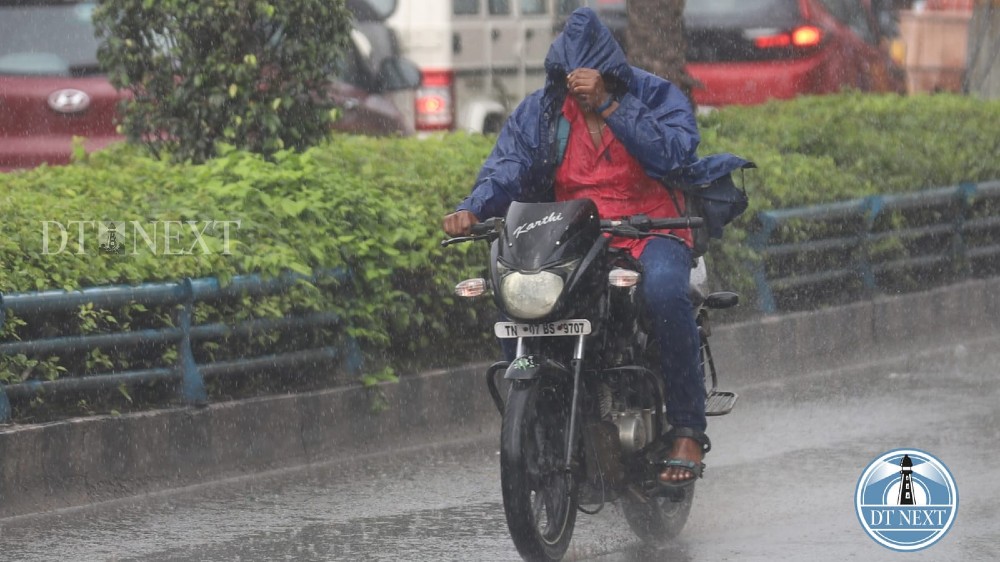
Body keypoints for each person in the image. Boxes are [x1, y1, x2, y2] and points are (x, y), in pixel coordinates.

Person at [443, 7, 749, 488]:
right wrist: (473, 207)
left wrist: (611, 106)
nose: (578, 89)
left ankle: (688, 428)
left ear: (610, 71)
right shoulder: (543, 111)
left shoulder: (653, 94)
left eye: (589, 78)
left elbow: (673, 152)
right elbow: (508, 167)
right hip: (576, 236)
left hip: (654, 228)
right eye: (571, 79)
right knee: (519, 300)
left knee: (666, 293)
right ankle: (545, 419)